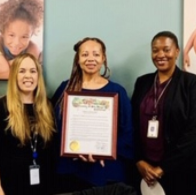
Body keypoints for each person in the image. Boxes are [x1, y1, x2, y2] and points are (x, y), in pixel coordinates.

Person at [51, 37, 134, 193]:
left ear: (103, 58)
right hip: (70, 171)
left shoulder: (117, 92)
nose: (90, 59)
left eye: (96, 54)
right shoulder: (65, 89)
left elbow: (127, 133)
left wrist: (102, 152)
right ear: (78, 59)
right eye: (85, 54)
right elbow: (53, 127)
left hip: (105, 172)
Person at [131, 31, 196, 195]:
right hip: (145, 167)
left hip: (182, 167)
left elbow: (195, 130)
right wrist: (138, 161)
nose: (160, 55)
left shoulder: (191, 83)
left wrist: (163, 168)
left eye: (166, 49)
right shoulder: (142, 82)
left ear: (177, 51)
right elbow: (133, 125)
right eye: (155, 50)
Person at [0, 53, 56, 195]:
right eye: (22, 71)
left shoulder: (48, 106)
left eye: (33, 71)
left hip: (41, 185)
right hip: (8, 185)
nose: (28, 76)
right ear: (14, 75)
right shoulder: (1, 107)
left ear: (38, 76)